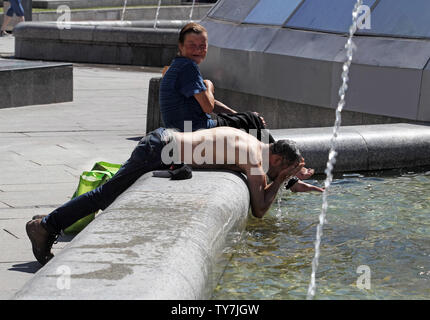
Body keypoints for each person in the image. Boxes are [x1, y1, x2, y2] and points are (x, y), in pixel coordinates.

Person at [26, 127, 323, 266]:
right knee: (104, 196)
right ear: (278, 161)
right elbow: (259, 209)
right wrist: (283, 179)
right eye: (285, 168)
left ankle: (47, 222)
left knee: (108, 196)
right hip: (159, 150)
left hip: (164, 141)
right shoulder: (255, 161)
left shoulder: (253, 143)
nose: (282, 173)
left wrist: (290, 180)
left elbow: (264, 178)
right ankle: (46, 226)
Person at [160, 22, 317, 188]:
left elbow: (207, 103)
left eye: (202, 46)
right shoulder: (188, 67)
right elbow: (208, 107)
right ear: (180, 46)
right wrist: (209, 85)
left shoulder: (179, 65)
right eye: (192, 45)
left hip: (185, 128)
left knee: (249, 119)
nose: (198, 49)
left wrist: (236, 115)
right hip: (193, 130)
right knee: (252, 120)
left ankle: (288, 176)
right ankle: (290, 175)